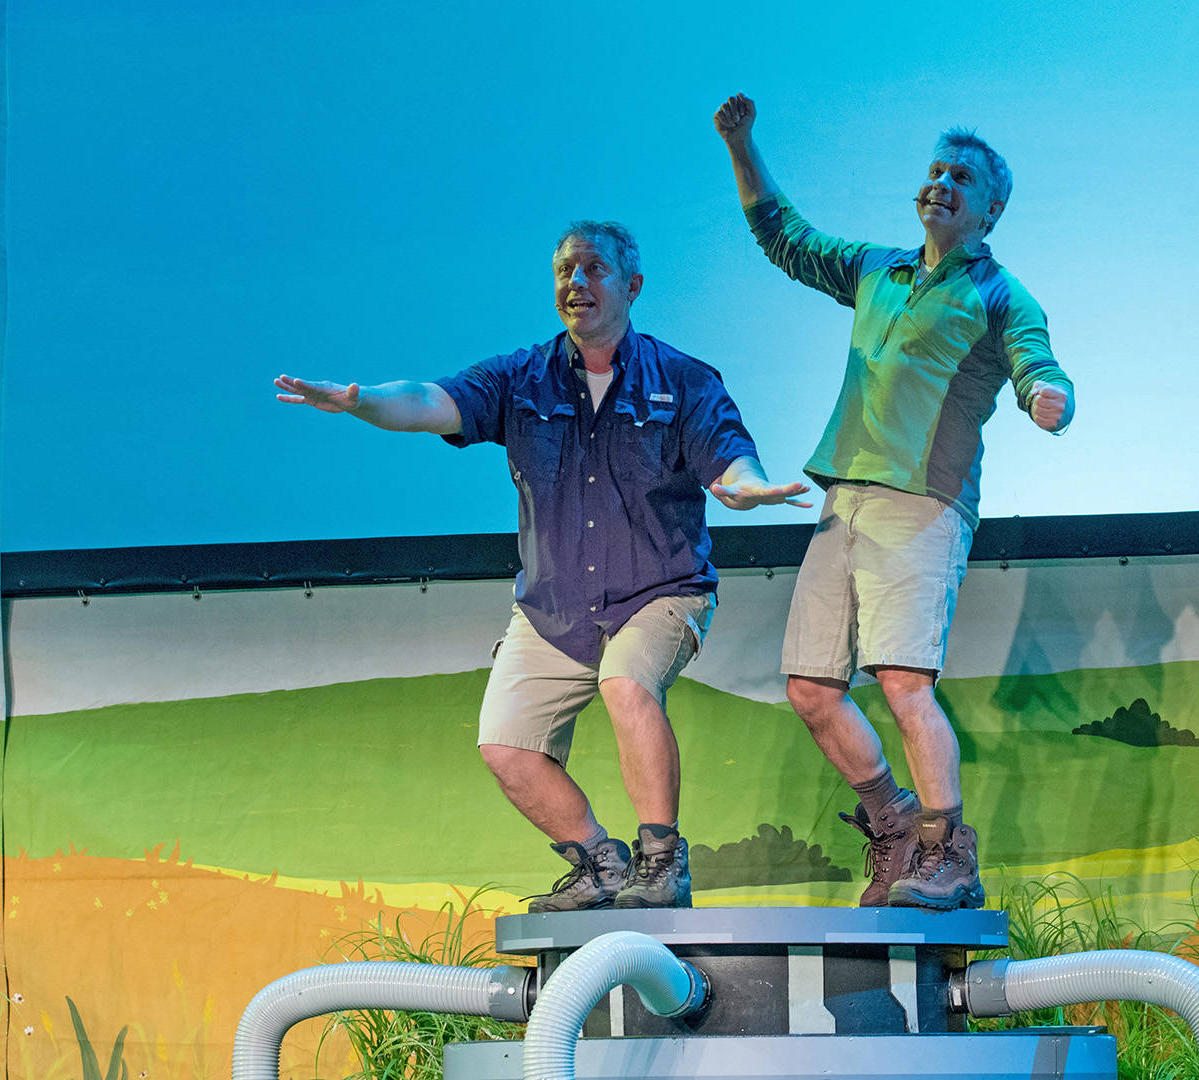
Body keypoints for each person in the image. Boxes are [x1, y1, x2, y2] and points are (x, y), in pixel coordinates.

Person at [275, 221, 808, 911]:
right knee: (506, 744)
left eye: (593, 269)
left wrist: (745, 486)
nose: (576, 282)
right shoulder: (520, 377)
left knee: (625, 683)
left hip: (661, 591)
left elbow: (730, 456)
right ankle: (600, 865)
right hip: (555, 606)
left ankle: (661, 863)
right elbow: (432, 401)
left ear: (632, 286)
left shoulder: (683, 379)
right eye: (564, 271)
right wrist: (361, 402)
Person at [714, 94, 1075, 910]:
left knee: (904, 682)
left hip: (924, 504)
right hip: (843, 498)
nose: (942, 183)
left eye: (963, 178)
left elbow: (1036, 362)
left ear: (992, 209)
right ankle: (895, 826)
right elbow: (784, 237)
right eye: (936, 171)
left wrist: (1047, 397)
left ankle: (949, 856)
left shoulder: (1001, 294)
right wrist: (742, 144)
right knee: (811, 689)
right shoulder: (878, 269)